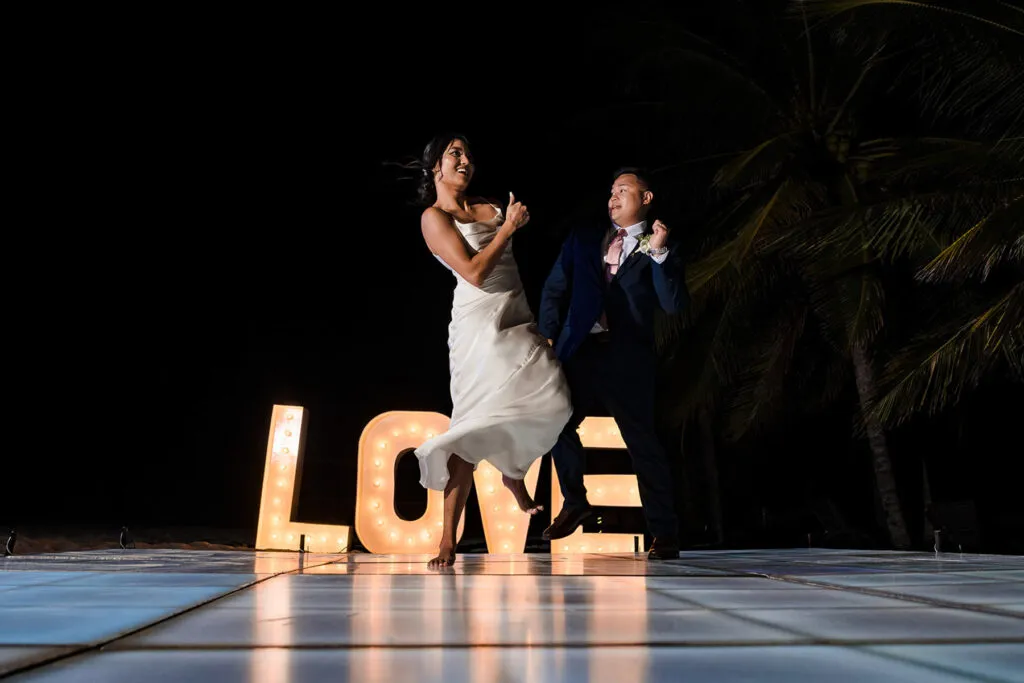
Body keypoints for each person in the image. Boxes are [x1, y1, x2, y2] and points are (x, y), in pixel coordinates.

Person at [411, 133, 572, 568]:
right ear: (435, 169)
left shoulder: (490, 204)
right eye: (454, 153)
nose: (465, 160)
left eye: (467, 154)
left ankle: (512, 469)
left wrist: (508, 223)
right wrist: (507, 228)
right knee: (471, 428)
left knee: (554, 397)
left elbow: (508, 267)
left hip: (515, 313)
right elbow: (475, 272)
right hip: (477, 323)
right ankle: (448, 538)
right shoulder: (434, 217)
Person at [538, 167, 689, 559]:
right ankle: (575, 500)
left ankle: (665, 535)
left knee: (643, 445)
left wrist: (658, 250)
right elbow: (555, 288)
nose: (613, 197)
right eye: (611, 191)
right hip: (580, 353)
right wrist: (548, 333)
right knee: (553, 424)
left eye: (623, 190)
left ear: (646, 198)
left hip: (628, 360)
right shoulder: (583, 238)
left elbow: (672, 305)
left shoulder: (662, 246)